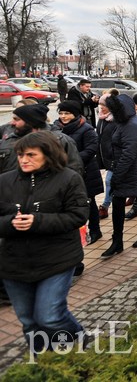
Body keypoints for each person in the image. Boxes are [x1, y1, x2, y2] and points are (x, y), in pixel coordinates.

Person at [0, 131, 89, 353]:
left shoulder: (68, 178)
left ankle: (77, 341)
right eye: (20, 154)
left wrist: (37, 221)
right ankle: (43, 359)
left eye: (31, 154)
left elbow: (78, 215)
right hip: (14, 263)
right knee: (29, 320)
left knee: (49, 316)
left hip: (57, 259)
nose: (23, 160)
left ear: (48, 155)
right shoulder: (4, 181)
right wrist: (11, 222)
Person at [101, 94, 137, 257]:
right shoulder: (125, 121)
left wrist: (116, 176)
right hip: (129, 168)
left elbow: (128, 155)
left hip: (135, 169)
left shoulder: (131, 124)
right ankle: (117, 241)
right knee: (120, 203)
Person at [53, 101, 104, 245]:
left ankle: (95, 230)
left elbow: (91, 149)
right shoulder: (56, 128)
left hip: (85, 171)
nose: (63, 116)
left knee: (89, 202)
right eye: (61, 113)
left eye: (67, 113)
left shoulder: (86, 128)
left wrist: (68, 160)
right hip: (63, 172)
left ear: (75, 114)